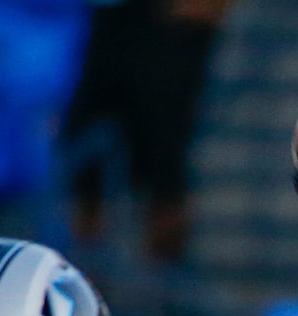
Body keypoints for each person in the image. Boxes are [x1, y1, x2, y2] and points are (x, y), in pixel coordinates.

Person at [63, 0, 239, 266]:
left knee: (166, 152)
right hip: (119, 26)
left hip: (174, 41)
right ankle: (88, 256)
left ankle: (162, 261)